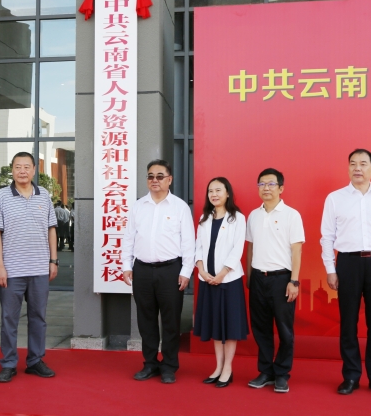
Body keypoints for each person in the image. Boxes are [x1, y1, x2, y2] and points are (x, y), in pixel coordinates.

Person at [320, 149, 371, 398]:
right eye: (353, 164)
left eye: (363, 164)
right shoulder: (335, 198)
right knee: (348, 323)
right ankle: (351, 376)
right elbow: (327, 237)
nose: (358, 168)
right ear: (348, 168)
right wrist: (331, 269)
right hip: (348, 264)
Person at [122, 159, 195, 384]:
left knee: (171, 322)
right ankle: (150, 363)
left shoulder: (180, 207)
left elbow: (188, 243)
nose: (155, 180)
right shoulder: (138, 206)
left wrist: (186, 271)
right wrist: (126, 266)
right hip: (142, 270)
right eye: (151, 176)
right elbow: (129, 238)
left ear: (169, 179)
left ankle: (169, 366)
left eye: (160, 176)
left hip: (170, 271)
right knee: (146, 321)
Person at [0, 152, 59, 383]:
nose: (22, 171)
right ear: (12, 169)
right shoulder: (1, 196)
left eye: (26, 167)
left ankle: (35, 361)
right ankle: (9, 363)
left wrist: (53, 260)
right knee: (9, 318)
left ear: (34, 170)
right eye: (18, 166)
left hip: (39, 268)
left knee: (38, 317)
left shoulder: (44, 195)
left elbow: (51, 229)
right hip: (11, 270)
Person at [246, 168, 304, 393]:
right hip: (258, 278)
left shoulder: (292, 215)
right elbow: (250, 247)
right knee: (260, 328)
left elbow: (297, 250)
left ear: (281, 188)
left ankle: (281, 373)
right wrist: (250, 277)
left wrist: (294, 281)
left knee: (285, 330)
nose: (266, 188)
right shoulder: (254, 215)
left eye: (271, 184)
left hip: (282, 280)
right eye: (261, 184)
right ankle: (265, 371)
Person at [193, 177, 248, 388]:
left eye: (218, 190)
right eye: (210, 191)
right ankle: (218, 367)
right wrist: (202, 270)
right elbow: (198, 247)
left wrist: (222, 273)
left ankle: (228, 368)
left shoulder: (238, 218)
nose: (214, 194)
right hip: (207, 279)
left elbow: (237, 249)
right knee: (215, 324)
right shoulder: (204, 218)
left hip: (229, 280)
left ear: (227, 193)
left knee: (230, 325)